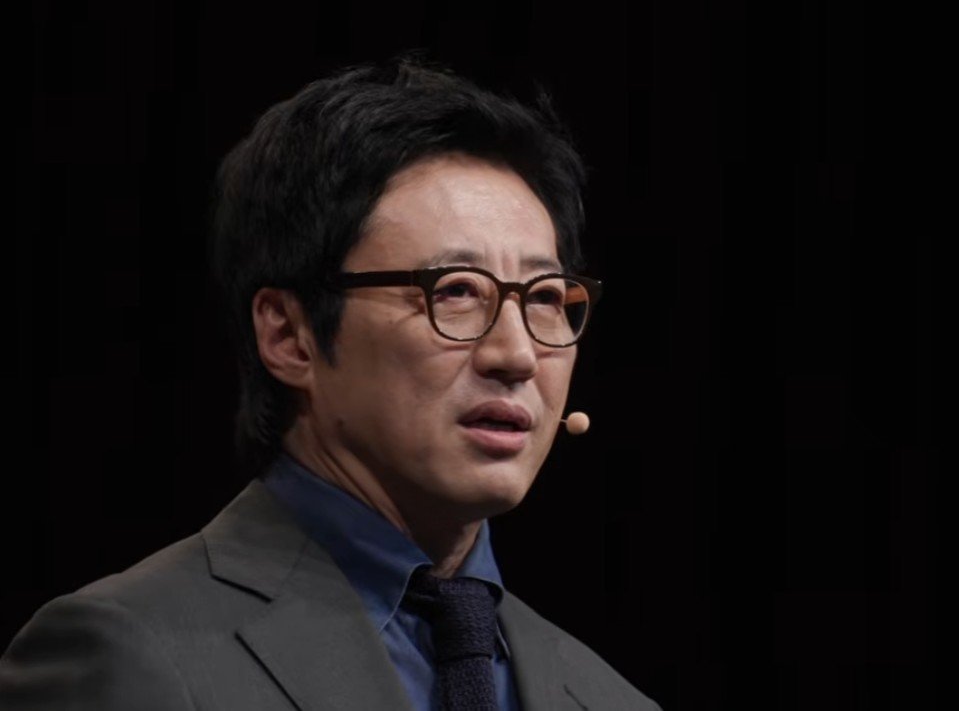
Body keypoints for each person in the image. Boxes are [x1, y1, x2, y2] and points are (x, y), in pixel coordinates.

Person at [0, 53, 660, 711]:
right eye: (455, 290)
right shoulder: (129, 654)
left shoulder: (607, 699)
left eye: (545, 297)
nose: (516, 354)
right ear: (289, 335)